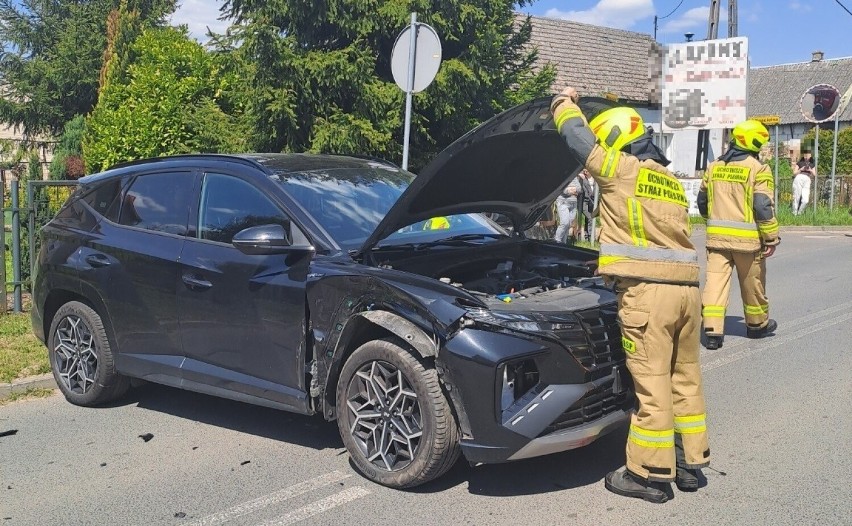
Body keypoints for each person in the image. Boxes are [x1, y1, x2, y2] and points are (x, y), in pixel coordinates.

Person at [551, 88, 709, 503]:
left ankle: (649, 475)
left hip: (649, 297)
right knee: (685, 380)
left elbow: (576, 139)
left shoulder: (623, 169)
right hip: (689, 294)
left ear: (617, 138)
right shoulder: (670, 181)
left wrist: (563, 103)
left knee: (652, 385)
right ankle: (689, 464)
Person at [698, 120, 780, 351]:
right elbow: (762, 205)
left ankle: (713, 332)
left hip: (717, 241)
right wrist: (771, 237)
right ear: (753, 142)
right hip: (748, 242)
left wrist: (711, 222)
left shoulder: (714, 167)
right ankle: (756, 326)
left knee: (714, 284)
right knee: (752, 284)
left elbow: (702, 201)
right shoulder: (758, 169)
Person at [553, 177, 582, 243]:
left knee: (568, 224)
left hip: (573, 203)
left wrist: (570, 189)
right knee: (564, 223)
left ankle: (563, 243)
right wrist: (573, 190)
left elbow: (579, 188)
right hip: (563, 202)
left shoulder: (574, 177)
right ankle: (557, 241)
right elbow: (563, 190)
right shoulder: (562, 176)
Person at [792, 149, 815, 215]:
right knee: (796, 196)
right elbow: (794, 173)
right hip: (799, 177)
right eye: (805, 155)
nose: (806, 156)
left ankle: (800, 213)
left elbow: (815, 174)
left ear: (810, 156)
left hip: (807, 179)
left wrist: (810, 170)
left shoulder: (812, 164)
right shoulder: (800, 163)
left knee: (805, 200)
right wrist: (801, 169)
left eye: (808, 155)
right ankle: (794, 213)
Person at [577, 169, 596, 241]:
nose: (585, 173)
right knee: (590, 217)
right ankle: (591, 237)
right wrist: (584, 179)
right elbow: (585, 191)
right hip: (584, 201)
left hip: (592, 201)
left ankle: (587, 236)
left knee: (588, 219)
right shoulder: (583, 179)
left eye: (587, 171)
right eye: (584, 171)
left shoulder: (595, 179)